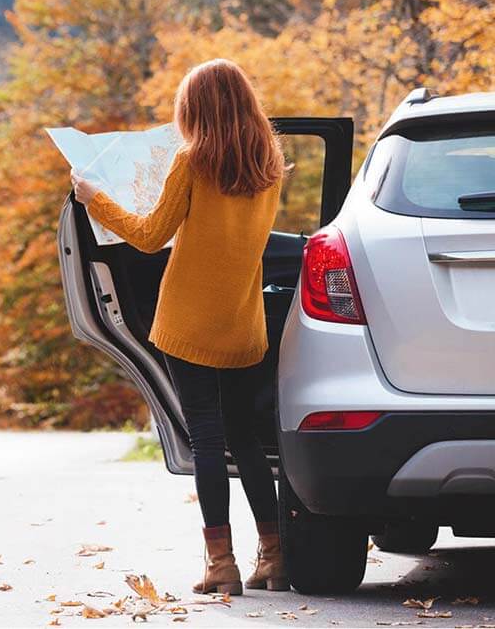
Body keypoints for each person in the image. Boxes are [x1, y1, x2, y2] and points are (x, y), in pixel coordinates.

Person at [71, 59, 287, 595]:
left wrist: (94, 199)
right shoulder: (270, 162)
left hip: (189, 321)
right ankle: (275, 556)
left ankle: (222, 565)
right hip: (242, 321)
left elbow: (148, 237)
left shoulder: (191, 162)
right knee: (246, 439)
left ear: (194, 111)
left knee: (208, 441)